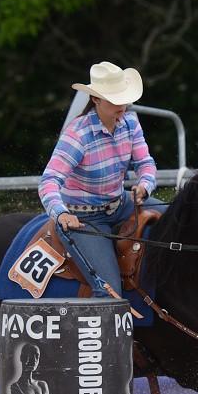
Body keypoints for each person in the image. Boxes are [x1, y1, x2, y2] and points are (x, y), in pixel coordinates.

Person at [38, 61, 166, 298]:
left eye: (123, 98)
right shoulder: (78, 135)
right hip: (84, 218)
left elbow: (145, 163)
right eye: (113, 99)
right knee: (109, 290)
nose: (121, 105)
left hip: (122, 203)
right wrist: (61, 214)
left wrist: (144, 186)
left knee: (178, 220)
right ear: (95, 99)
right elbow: (49, 181)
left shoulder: (130, 123)